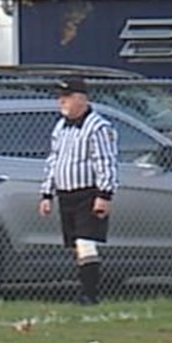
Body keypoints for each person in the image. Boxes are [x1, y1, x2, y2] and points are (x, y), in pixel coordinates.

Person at [39, 76, 118, 305]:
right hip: (66, 193)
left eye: (67, 97)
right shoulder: (61, 126)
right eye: (60, 97)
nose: (61, 102)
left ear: (81, 99)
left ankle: (89, 294)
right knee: (75, 244)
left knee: (86, 241)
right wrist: (47, 193)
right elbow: (54, 159)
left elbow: (105, 161)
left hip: (88, 193)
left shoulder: (98, 127)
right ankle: (85, 288)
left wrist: (104, 195)